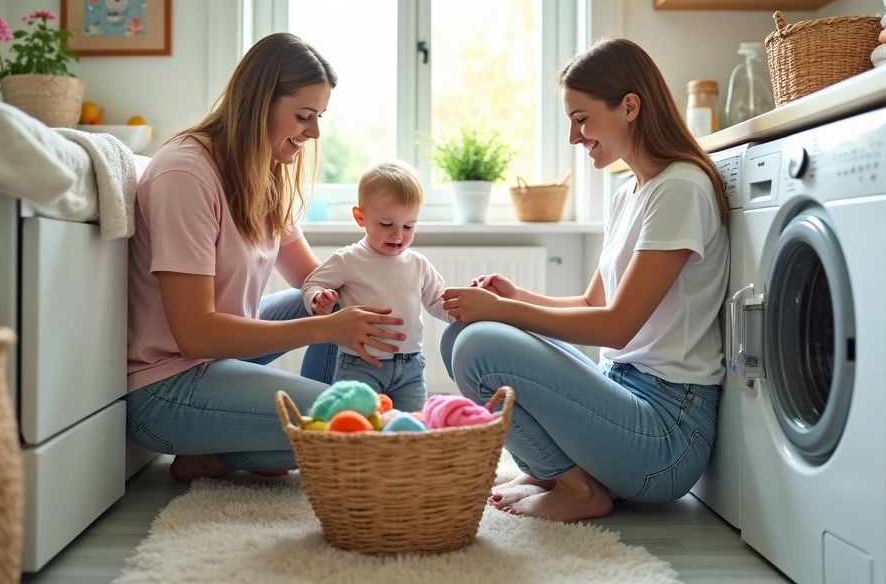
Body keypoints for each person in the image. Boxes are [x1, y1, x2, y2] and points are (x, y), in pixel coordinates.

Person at [439, 38, 730, 523]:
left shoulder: (680, 187)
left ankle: (577, 490)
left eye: (581, 118)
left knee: (479, 345)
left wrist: (502, 313)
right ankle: (559, 475)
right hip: (621, 389)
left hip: (667, 434)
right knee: (458, 337)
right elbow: (595, 300)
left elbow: (616, 326)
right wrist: (516, 296)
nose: (575, 138)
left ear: (630, 107)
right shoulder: (629, 192)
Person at [124, 33, 405, 482]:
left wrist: (392, 282)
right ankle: (310, 435)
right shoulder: (186, 174)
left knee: (343, 294)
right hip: (165, 385)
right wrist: (325, 327)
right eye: (303, 116)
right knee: (356, 421)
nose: (313, 133)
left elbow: (313, 278)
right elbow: (195, 335)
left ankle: (261, 440)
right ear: (259, 104)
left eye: (319, 118)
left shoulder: (264, 172)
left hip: (221, 362)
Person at [302, 161, 452, 412]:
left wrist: (461, 310)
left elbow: (438, 302)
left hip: (410, 368)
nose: (398, 235)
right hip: (361, 365)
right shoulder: (348, 260)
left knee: (412, 429)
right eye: (386, 225)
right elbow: (312, 283)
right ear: (360, 217)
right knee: (358, 427)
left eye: (408, 226)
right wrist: (319, 299)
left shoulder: (418, 263)